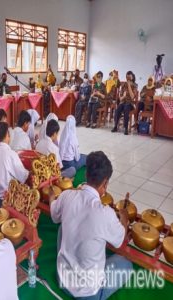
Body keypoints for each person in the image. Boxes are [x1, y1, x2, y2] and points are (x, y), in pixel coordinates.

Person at [50, 151, 132, 299]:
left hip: (61, 278)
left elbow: (54, 216)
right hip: (87, 293)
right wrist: (124, 220)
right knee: (125, 264)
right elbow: (120, 242)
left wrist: (51, 198)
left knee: (62, 226)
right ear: (105, 183)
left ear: (86, 174)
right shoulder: (105, 213)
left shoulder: (67, 195)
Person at [0, 122, 29, 208]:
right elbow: (22, 175)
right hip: (8, 200)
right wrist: (29, 173)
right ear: (7, 135)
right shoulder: (11, 154)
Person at [111, 71, 138, 135]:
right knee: (118, 108)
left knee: (126, 107)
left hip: (130, 104)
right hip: (123, 102)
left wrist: (129, 86)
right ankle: (115, 126)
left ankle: (126, 128)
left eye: (129, 76)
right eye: (127, 76)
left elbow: (132, 97)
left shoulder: (135, 85)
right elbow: (120, 98)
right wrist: (123, 96)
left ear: (132, 77)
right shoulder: (123, 85)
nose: (128, 78)